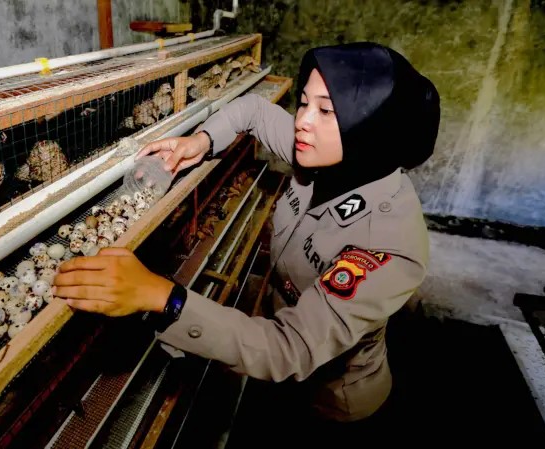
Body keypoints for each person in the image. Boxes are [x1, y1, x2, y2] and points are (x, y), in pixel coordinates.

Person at [52, 42, 440, 442]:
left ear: (371, 128)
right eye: (304, 103)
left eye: (326, 111)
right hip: (272, 352)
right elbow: (254, 111)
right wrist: (201, 141)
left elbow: (290, 347)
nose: (302, 122)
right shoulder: (326, 153)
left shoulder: (388, 245)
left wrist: (165, 298)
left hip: (331, 402)